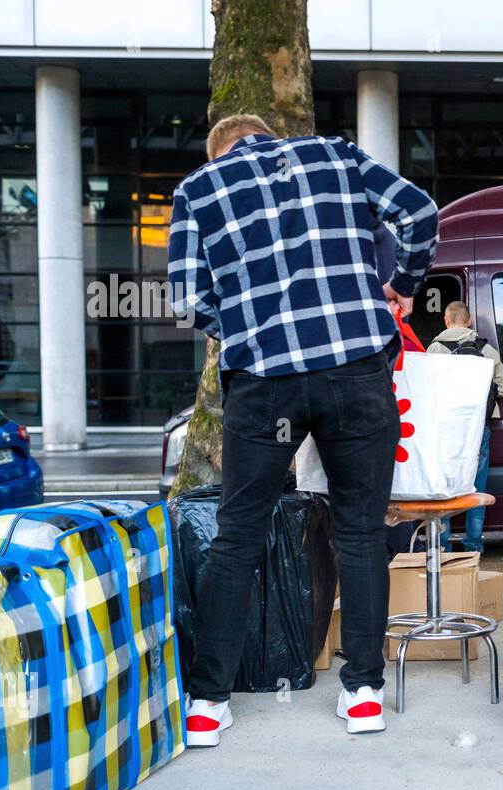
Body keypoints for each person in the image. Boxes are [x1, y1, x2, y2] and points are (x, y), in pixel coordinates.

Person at [168, 113, 438, 742]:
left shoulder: (198, 189)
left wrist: (240, 327)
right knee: (361, 531)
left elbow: (186, 298)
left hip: (265, 382)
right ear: (268, 134)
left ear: (221, 148)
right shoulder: (335, 155)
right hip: (353, 367)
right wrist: (400, 286)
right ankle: (364, 693)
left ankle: (208, 704)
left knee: (237, 536)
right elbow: (418, 212)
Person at [427, 300, 503, 553]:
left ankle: (442, 547)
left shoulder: (435, 350)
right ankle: (473, 546)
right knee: (476, 487)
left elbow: (427, 391)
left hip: (446, 430)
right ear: (469, 320)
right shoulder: (487, 350)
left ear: (446, 320)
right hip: (478, 429)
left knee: (444, 488)